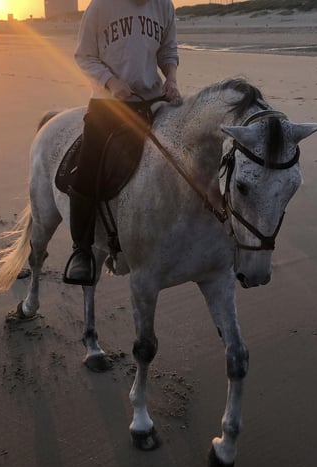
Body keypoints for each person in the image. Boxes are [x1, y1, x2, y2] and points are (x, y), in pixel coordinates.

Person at [64, 0, 181, 285]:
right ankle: (82, 250)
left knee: (181, 159)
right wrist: (111, 82)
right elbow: (84, 56)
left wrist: (172, 79)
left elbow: (168, 50)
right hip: (109, 103)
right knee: (88, 170)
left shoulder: (163, 5)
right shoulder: (100, 7)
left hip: (152, 100)